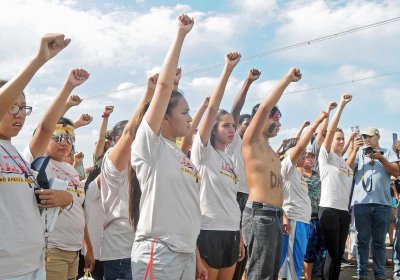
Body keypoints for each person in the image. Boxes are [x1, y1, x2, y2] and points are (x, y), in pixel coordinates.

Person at [131, 14, 207, 280]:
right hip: (158, 251)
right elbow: (163, 88)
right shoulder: (150, 146)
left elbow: (186, 210)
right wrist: (181, 35)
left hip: (184, 253)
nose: (189, 118)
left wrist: (195, 256)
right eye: (185, 112)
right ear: (163, 115)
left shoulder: (180, 155)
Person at [0, 34, 73, 280]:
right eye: (12, 105)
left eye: (24, 107)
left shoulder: (19, 158)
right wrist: (39, 59)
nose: (19, 114)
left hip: (34, 264)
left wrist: (64, 199)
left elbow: (45, 129)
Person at [22, 68, 94, 280]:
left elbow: (80, 211)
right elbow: (45, 127)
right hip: (51, 250)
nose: (65, 143)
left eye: (70, 138)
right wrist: (68, 99)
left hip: (74, 251)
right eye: (58, 137)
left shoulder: (71, 170)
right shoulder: (39, 163)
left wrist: (87, 247)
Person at [241, 67, 302, 280]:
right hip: (261, 215)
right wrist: (286, 80)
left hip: (274, 215)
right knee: (259, 274)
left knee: (271, 274)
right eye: (275, 117)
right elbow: (265, 107)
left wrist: (282, 214)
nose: (279, 123)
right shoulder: (253, 142)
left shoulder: (271, 152)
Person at [192, 51, 243, 280]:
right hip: (209, 230)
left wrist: (239, 233)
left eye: (233, 126)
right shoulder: (203, 153)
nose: (232, 129)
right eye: (226, 126)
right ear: (212, 129)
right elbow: (213, 109)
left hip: (231, 231)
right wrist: (228, 70)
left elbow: (231, 200)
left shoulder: (229, 159)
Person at [100, 73, 157, 280]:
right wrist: (150, 94)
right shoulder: (113, 159)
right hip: (121, 254)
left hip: (145, 250)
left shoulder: (144, 162)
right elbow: (130, 134)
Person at [279, 112, 327, 280]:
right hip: (293, 221)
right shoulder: (287, 168)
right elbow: (297, 147)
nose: (305, 155)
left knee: (296, 262)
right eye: (302, 153)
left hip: (302, 222)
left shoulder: (298, 174)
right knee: (291, 263)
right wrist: (317, 122)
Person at [349, 127, 399, 280]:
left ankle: (380, 274)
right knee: (362, 240)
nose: (367, 139)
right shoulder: (358, 152)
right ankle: (362, 273)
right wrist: (353, 149)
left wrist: (381, 158)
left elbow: (396, 172)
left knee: (379, 242)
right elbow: (347, 169)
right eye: (365, 137)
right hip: (361, 203)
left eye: (370, 136)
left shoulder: (387, 152)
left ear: (378, 136)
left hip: (382, 204)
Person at [227, 68, 261, 280]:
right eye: (246, 124)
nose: (249, 128)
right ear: (238, 126)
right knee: (232, 247)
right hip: (234, 196)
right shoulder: (233, 141)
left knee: (245, 249)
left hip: (250, 199)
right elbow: (235, 109)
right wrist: (248, 82)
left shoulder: (255, 146)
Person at [318, 93, 355, 280]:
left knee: (339, 254)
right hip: (329, 210)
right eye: (337, 138)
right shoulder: (326, 157)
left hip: (343, 212)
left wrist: (354, 145)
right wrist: (341, 105)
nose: (340, 141)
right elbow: (330, 131)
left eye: (343, 139)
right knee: (333, 253)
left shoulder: (344, 163)